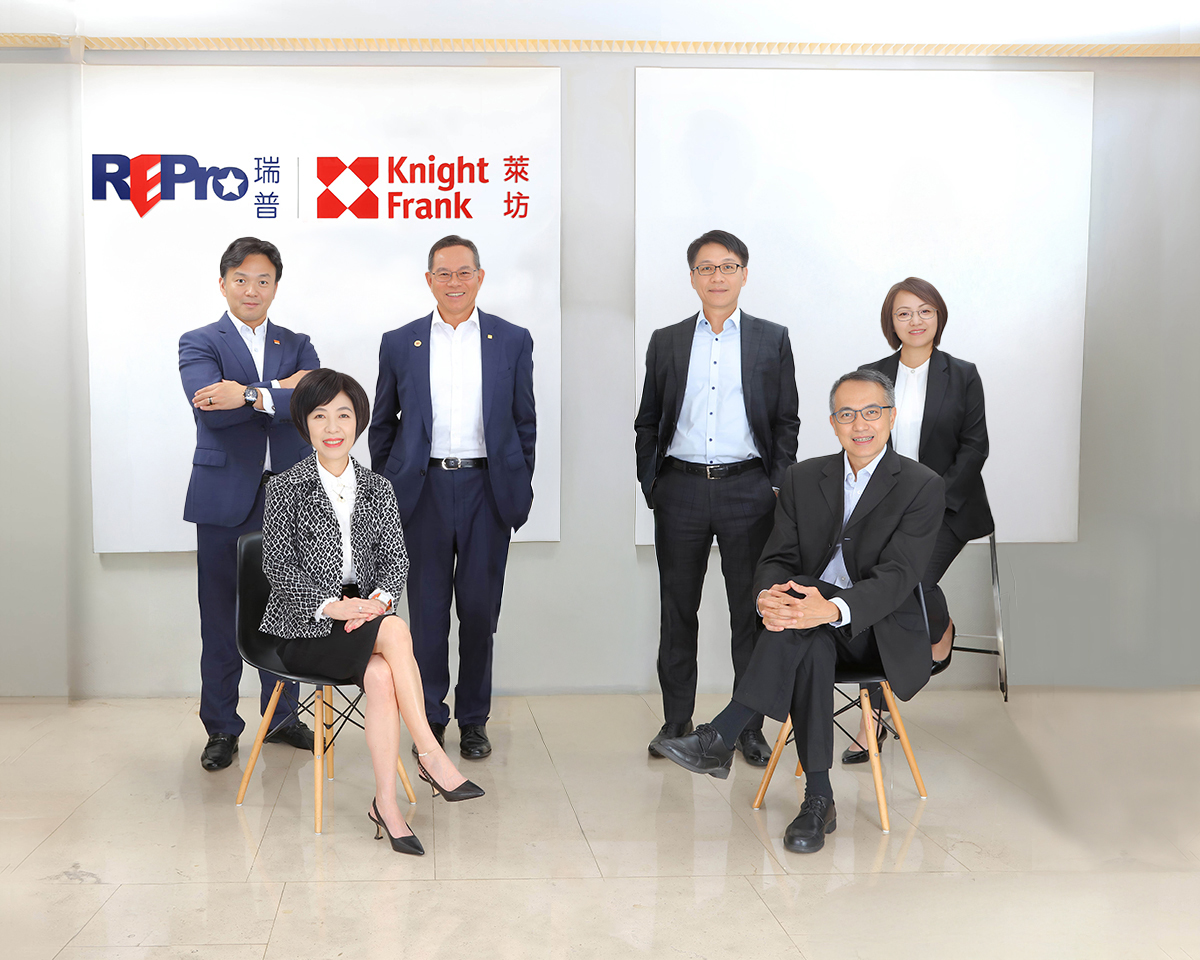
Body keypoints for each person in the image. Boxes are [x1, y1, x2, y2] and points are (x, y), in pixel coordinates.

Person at [654, 369, 944, 854]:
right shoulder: (803, 477)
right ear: (832, 423)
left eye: (872, 412)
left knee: (806, 605)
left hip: (876, 631)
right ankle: (818, 801)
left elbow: (898, 576)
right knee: (807, 638)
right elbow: (776, 558)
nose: (860, 424)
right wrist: (767, 596)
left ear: (891, 417)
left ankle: (721, 734)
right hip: (805, 628)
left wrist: (827, 608)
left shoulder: (921, 485)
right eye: (847, 414)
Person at [260, 369, 483, 855]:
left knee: (381, 675)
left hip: (365, 621)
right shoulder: (284, 487)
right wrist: (335, 606)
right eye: (320, 416)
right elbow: (278, 567)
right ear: (304, 424)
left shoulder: (378, 487)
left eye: (343, 415)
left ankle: (386, 804)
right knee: (396, 631)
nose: (332, 427)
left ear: (358, 422)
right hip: (306, 628)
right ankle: (430, 753)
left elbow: (394, 560)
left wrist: (376, 602)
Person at [634, 229, 799, 767]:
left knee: (749, 613)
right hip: (679, 488)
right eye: (706, 267)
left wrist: (776, 484)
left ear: (744, 274)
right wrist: (653, 483)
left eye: (728, 266)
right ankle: (676, 721)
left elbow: (786, 420)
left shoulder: (772, 339)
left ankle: (746, 727)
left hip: (749, 490)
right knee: (677, 610)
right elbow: (648, 420)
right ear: (692, 278)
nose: (717, 276)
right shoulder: (667, 340)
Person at [369, 235, 536, 761]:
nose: (455, 282)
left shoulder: (512, 340)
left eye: (465, 272)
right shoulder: (400, 342)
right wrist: (390, 488)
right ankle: (430, 718)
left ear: (480, 277)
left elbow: (524, 422)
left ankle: (473, 720)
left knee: (481, 614)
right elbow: (382, 423)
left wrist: (516, 482)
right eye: (444, 273)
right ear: (429, 280)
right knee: (428, 615)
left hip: (488, 489)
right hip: (423, 492)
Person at [179, 237, 319, 772]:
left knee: (285, 612)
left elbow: (311, 405)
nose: (252, 290)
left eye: (263, 280)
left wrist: (247, 393)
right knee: (220, 617)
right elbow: (210, 409)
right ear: (223, 284)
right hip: (223, 497)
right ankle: (221, 727)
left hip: (288, 495)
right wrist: (279, 391)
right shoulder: (199, 341)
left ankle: (281, 719)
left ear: (276, 287)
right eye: (241, 279)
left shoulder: (297, 343)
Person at [843, 278, 994, 763]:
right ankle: (873, 721)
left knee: (907, 582)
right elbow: (860, 440)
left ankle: (940, 629)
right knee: (878, 591)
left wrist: (931, 500)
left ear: (938, 317)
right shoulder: (873, 375)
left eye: (925, 311)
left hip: (949, 507)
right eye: (904, 312)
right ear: (891, 321)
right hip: (886, 509)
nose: (915, 320)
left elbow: (975, 448)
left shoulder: (963, 374)